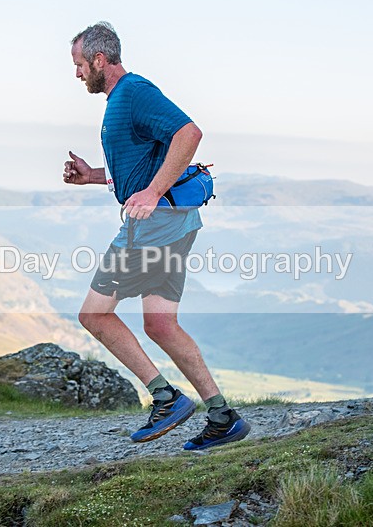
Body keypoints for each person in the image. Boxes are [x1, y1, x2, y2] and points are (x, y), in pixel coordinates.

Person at [63, 22, 250, 450]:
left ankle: (165, 398)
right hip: (173, 224)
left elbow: (189, 134)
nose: (76, 75)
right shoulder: (120, 101)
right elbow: (141, 163)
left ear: (98, 59)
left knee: (94, 316)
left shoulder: (133, 92)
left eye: (78, 65)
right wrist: (93, 176)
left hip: (155, 226)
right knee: (161, 325)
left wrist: (152, 191)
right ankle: (223, 417)